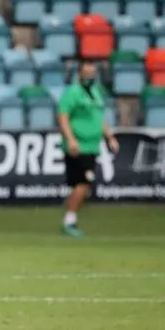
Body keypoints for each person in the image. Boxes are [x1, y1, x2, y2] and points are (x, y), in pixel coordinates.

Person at [57, 60, 119, 237]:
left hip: (92, 145)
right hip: (78, 145)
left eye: (93, 74)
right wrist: (70, 139)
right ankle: (69, 221)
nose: (90, 77)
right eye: (87, 73)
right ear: (80, 74)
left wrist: (110, 137)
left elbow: (100, 118)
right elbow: (63, 117)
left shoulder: (96, 92)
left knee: (83, 185)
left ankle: (70, 210)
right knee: (83, 183)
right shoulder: (72, 93)